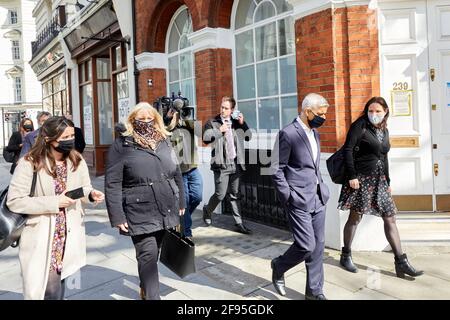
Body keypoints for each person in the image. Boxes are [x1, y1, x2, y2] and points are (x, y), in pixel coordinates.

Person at [6, 116, 105, 300]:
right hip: (42, 235)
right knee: (48, 290)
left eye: (72, 136)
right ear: (49, 140)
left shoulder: (77, 160)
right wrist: (54, 202)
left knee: (58, 285)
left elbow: (83, 188)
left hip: (68, 232)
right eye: (65, 137)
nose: (70, 141)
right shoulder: (30, 162)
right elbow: (15, 200)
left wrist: (90, 195)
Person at [105, 102, 186, 300]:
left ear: (156, 119)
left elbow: (176, 172)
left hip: (166, 206)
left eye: (150, 118)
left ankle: (145, 287)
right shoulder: (122, 145)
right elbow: (113, 183)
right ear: (133, 121)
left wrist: (182, 201)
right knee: (147, 255)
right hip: (138, 210)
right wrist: (117, 216)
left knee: (155, 252)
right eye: (141, 119)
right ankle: (152, 296)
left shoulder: (164, 140)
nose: (146, 122)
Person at [338, 96, 423, 278]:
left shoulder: (384, 130)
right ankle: (346, 255)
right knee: (355, 218)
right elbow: (348, 150)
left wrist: (388, 181)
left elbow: (384, 156)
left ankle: (401, 262)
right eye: (370, 111)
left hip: (380, 181)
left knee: (390, 218)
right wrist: (352, 176)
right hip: (360, 180)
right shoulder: (359, 126)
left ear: (385, 113)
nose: (373, 114)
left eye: (377, 111)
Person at [270, 93, 330, 300]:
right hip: (298, 199)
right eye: (320, 114)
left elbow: (311, 166)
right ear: (307, 111)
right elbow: (276, 169)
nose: (323, 118)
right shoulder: (288, 133)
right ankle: (279, 265)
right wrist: (288, 196)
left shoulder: (315, 133)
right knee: (306, 245)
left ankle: (314, 292)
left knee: (318, 246)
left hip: (318, 197)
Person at [202, 96, 252, 234]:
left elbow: (248, 137)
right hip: (221, 165)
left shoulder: (236, 122)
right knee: (220, 194)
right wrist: (220, 131)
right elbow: (205, 139)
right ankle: (208, 210)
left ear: (232, 110)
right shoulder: (212, 122)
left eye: (226, 108)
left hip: (236, 163)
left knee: (235, 194)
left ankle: (239, 223)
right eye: (221, 107)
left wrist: (243, 123)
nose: (222, 110)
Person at [165, 104, 203, 241]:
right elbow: (163, 131)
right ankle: (186, 232)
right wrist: (169, 118)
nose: (183, 114)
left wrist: (188, 120)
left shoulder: (190, 124)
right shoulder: (169, 126)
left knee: (197, 197)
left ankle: (181, 217)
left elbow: (201, 133)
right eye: (180, 111)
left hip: (193, 168)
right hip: (179, 172)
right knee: (184, 201)